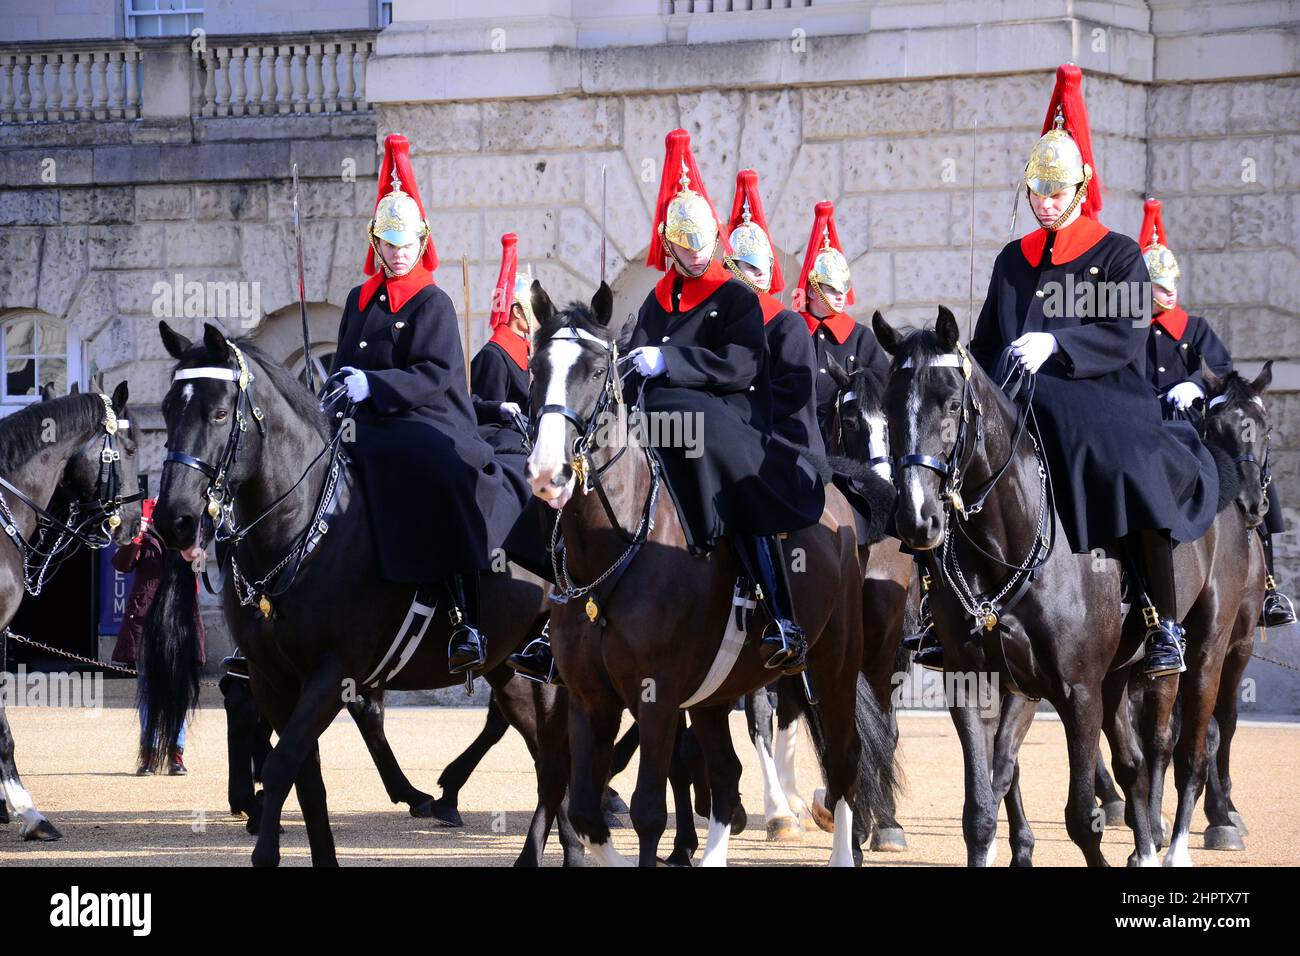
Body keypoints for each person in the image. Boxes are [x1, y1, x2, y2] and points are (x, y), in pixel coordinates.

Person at [962, 63, 1220, 678]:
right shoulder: (1012, 259)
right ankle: (943, 613)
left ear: (1078, 190)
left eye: (1056, 193)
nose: (1045, 204)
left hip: (1102, 393)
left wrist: (1056, 342)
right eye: (1037, 193)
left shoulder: (1118, 253)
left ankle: (1163, 623)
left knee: (1131, 467)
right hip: (1021, 396)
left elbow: (1127, 334)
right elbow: (985, 340)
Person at [331, 134, 534, 675]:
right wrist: (335, 392)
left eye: (406, 244)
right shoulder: (359, 299)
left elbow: (436, 374)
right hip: (364, 421)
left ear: (421, 244)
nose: (398, 253)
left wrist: (375, 387)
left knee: (438, 471)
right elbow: (345, 360)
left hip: (425, 419)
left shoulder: (432, 301)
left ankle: (464, 614)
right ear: (376, 243)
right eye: (389, 244)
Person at [623, 129, 825, 672]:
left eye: (700, 240)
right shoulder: (656, 298)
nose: (692, 252)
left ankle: (780, 612)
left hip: (725, 412)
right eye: (682, 243)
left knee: (726, 465)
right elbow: (633, 352)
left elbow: (743, 365)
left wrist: (672, 363)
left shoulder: (734, 295)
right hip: (655, 415)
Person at [1139, 197, 1295, 628]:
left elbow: (1227, 376)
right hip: (1149, 432)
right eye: (1158, 286)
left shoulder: (1196, 330)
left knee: (1251, 471)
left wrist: (1195, 383)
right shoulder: (1130, 335)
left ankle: (1269, 588)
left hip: (1197, 430)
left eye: (1172, 284)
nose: (1168, 292)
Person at [723, 169, 823, 459]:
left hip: (782, 440)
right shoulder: (718, 322)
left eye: (760, 270)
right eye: (747, 268)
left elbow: (795, 390)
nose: (756, 276)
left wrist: (741, 412)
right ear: (730, 271)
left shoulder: (788, 325)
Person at [111, 497, 205, 774]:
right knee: (150, 689)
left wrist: (198, 556)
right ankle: (150, 752)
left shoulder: (191, 526)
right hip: (147, 618)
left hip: (180, 617)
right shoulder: (144, 524)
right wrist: (134, 538)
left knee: (179, 688)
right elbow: (122, 565)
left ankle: (176, 752)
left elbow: (198, 573)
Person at [795, 201, 891, 443]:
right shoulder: (792, 332)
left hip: (847, 440)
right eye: (830, 288)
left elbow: (882, 393)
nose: (840, 295)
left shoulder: (861, 338)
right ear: (812, 290)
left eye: (842, 287)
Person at [471, 232, 535, 456]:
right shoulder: (494, 355)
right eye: (533, 307)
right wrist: (499, 409)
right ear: (517, 311)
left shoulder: (529, 352)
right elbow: (481, 410)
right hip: (503, 441)